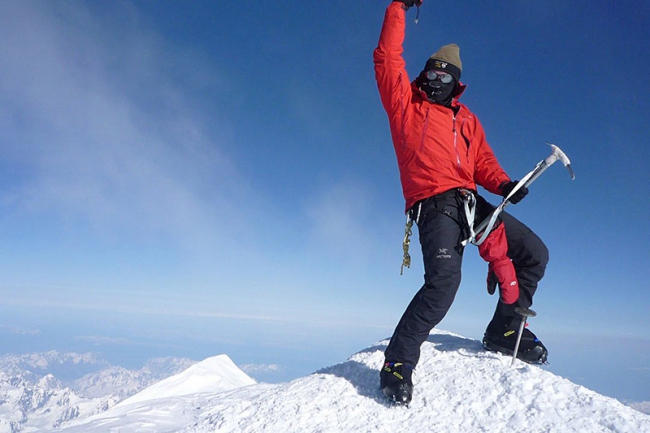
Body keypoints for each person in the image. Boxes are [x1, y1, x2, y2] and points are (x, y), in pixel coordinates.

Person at [374, 0, 549, 405]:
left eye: (444, 74)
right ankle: (397, 364)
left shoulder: (466, 119)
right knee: (444, 283)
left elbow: (482, 161)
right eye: (432, 70)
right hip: (434, 204)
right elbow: (386, 58)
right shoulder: (406, 105)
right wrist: (398, 5)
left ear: (456, 82)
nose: (436, 78)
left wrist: (504, 183)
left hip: (471, 201)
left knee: (534, 253)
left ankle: (505, 331)